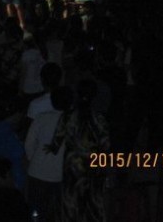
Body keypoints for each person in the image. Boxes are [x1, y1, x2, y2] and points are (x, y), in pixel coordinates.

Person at [47, 79, 110, 222]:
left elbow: (57, 141)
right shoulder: (99, 118)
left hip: (73, 164)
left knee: (71, 201)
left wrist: (52, 148)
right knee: (94, 202)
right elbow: (106, 144)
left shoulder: (68, 116)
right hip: (94, 163)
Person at [25, 86, 73, 222]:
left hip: (37, 172)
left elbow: (29, 144)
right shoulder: (74, 122)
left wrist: (34, 160)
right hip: (60, 176)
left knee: (35, 212)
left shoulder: (41, 118)